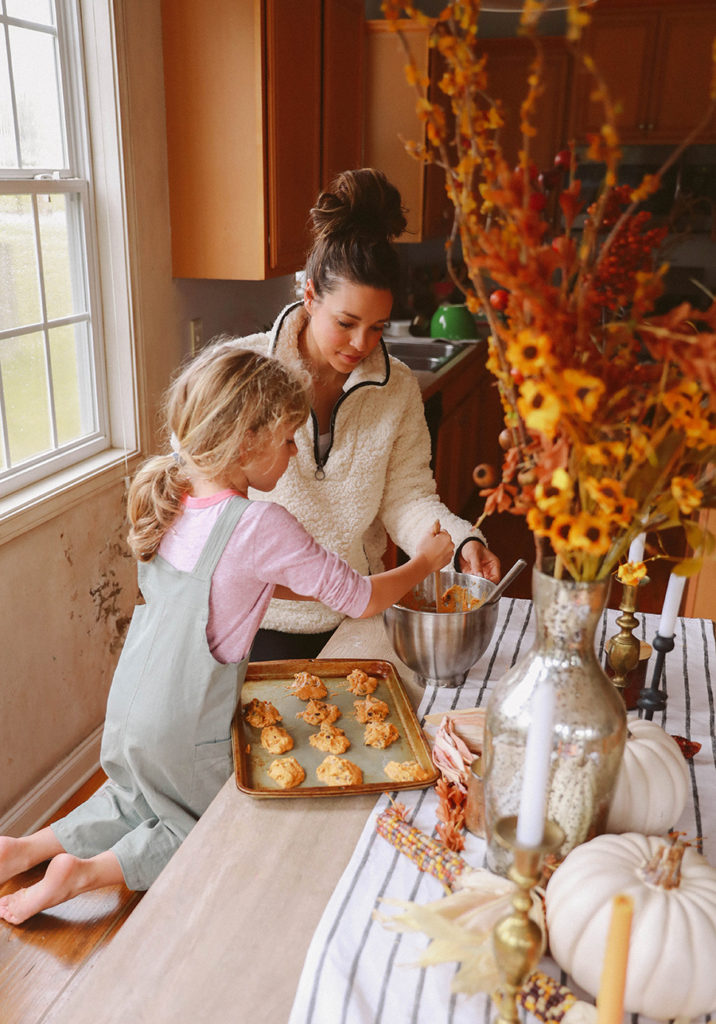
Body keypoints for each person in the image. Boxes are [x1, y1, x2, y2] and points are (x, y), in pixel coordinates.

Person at [0, 346, 452, 925]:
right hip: (187, 725)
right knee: (198, 826)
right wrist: (425, 561)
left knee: (132, 795)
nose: (293, 453)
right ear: (248, 443)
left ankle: (29, 848)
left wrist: (307, 582)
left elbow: (235, 583)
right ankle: (86, 873)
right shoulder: (261, 524)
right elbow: (362, 599)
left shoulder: (173, 497)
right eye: (289, 439)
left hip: (133, 706)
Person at [224, 167, 501, 660]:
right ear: (309, 296)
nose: (360, 344)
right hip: (260, 617)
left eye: (377, 328)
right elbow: (204, 501)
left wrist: (460, 542)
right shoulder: (243, 375)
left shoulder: (396, 389)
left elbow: (408, 498)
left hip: (361, 611)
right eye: (346, 323)